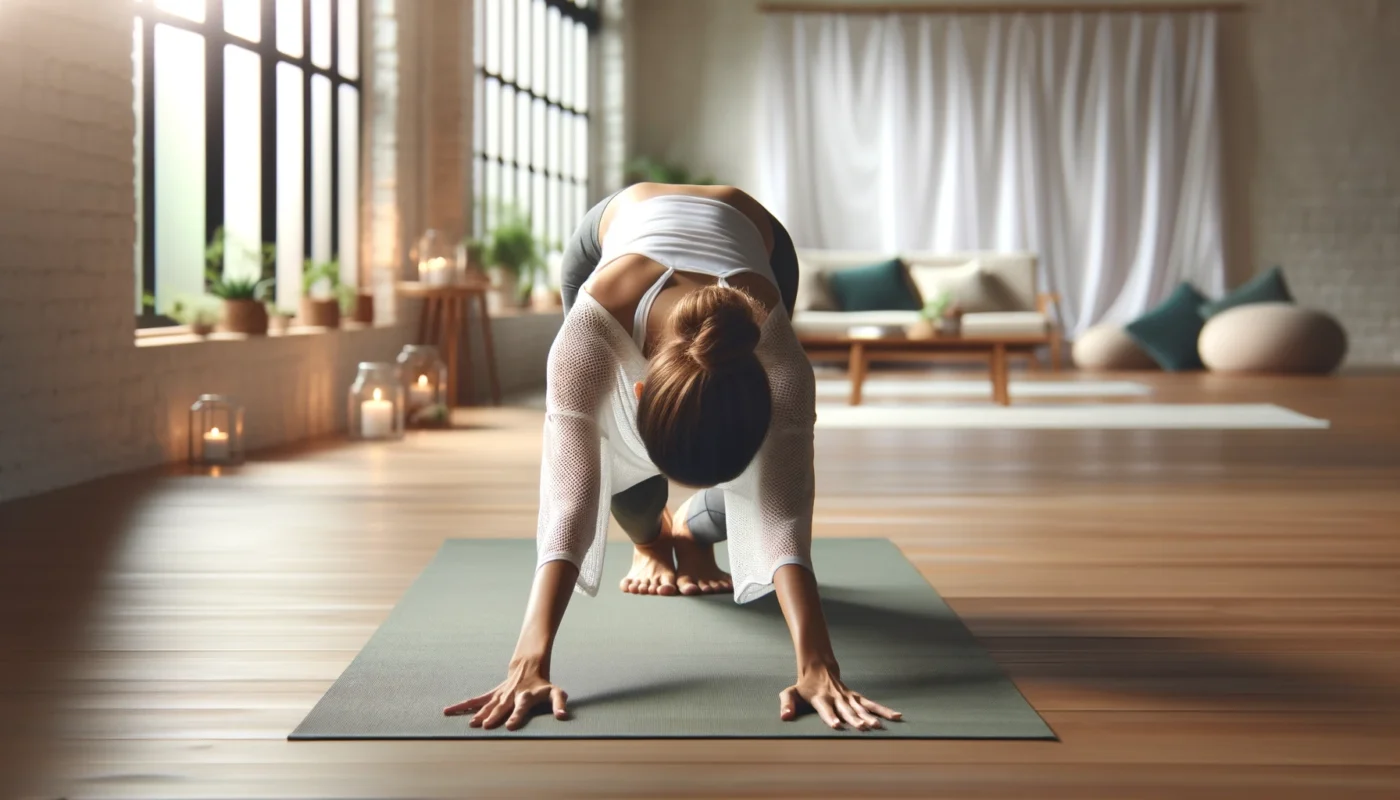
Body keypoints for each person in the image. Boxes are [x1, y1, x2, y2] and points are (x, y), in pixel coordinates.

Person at [443, 183, 900, 732]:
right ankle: (650, 540)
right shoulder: (587, 336)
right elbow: (570, 498)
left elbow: (781, 507)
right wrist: (528, 662)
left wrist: (818, 664)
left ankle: (689, 530)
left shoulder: (780, 368)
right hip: (615, 232)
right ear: (636, 394)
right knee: (592, 443)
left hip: (758, 236)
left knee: (772, 478)